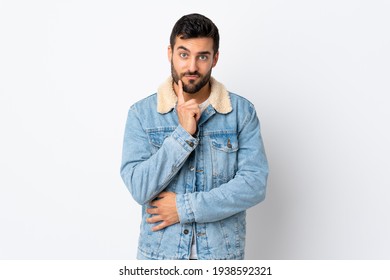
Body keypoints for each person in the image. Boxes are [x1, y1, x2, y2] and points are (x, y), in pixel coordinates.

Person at [120, 13, 268, 260]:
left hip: (221, 259)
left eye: (202, 56)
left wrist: (183, 208)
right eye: (184, 54)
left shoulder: (241, 112)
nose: (191, 66)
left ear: (215, 58)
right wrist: (182, 135)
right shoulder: (142, 114)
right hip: (159, 259)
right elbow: (139, 187)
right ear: (170, 53)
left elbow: (254, 185)